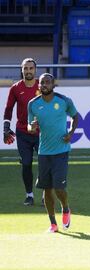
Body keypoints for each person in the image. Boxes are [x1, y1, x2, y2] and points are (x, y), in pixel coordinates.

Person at [28, 73, 78, 233]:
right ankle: (53, 224)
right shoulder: (33, 104)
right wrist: (32, 127)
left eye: (47, 82)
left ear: (53, 85)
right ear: (38, 85)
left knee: (59, 188)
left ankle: (65, 208)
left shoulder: (64, 101)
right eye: (42, 83)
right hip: (43, 152)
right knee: (46, 189)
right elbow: (29, 126)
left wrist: (70, 133)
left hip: (61, 151)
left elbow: (76, 117)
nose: (44, 85)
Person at [3, 58, 40, 205]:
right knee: (26, 163)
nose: (28, 71)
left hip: (41, 133)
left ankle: (45, 194)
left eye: (31, 68)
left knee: (45, 163)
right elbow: (8, 108)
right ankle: (29, 195)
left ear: (35, 70)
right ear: (22, 70)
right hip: (23, 133)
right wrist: (6, 127)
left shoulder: (42, 86)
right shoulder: (15, 88)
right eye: (26, 68)